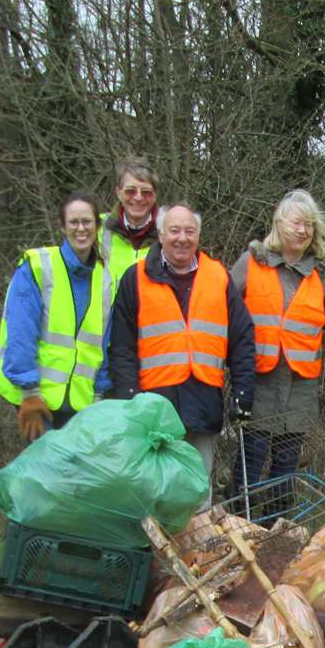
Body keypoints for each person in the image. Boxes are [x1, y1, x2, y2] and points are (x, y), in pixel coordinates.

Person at [106, 203, 256, 502]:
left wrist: (243, 392)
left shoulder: (218, 277)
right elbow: (121, 346)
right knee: (153, 489)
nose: (182, 238)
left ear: (198, 236)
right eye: (174, 230)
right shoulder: (135, 279)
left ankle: (199, 548)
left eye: (189, 231)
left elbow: (242, 338)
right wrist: (128, 396)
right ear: (161, 235)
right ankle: (155, 548)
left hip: (203, 402)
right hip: (153, 406)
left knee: (197, 487)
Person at [229, 189, 325, 498]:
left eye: (309, 224)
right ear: (278, 223)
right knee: (249, 464)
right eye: (296, 222)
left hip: (299, 387)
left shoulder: (321, 274)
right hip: (258, 382)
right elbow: (220, 310)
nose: (302, 230)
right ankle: (241, 528)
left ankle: (276, 532)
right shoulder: (251, 262)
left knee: (285, 467)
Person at [0, 192, 113, 441]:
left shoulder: (104, 279)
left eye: (87, 222)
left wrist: (99, 396)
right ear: (62, 226)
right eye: (73, 222)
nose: (81, 229)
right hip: (39, 401)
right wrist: (29, 392)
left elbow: (104, 343)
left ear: (97, 226)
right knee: (43, 478)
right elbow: (20, 333)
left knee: (76, 479)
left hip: (80, 405)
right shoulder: (38, 266)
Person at [100, 157, 160, 286]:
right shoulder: (95, 228)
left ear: (155, 195)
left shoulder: (170, 233)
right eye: (130, 191)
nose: (138, 197)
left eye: (146, 192)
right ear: (118, 192)